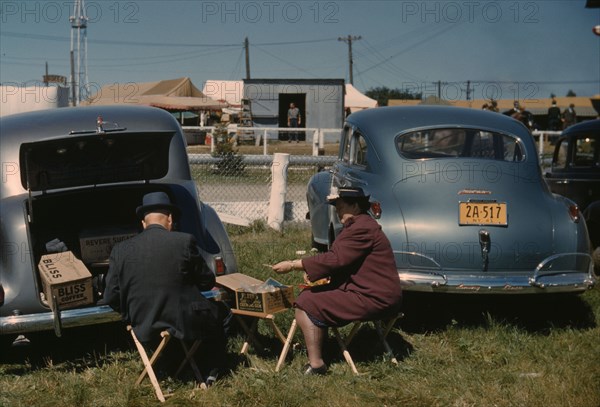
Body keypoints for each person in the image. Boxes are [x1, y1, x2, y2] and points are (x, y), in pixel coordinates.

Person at [102, 191, 230, 385]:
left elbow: (110, 296)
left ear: (143, 224)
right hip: (183, 323)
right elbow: (207, 281)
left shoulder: (120, 250)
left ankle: (171, 360)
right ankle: (210, 368)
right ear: (170, 219)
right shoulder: (184, 241)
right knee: (224, 312)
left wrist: (132, 313)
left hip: (143, 326)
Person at [272, 187, 402, 375]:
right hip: (372, 293)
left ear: (356, 206)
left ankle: (317, 364)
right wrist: (320, 275)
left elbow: (335, 259)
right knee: (310, 294)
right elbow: (347, 262)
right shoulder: (362, 225)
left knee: (305, 302)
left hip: (374, 298)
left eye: (341, 207)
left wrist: (294, 264)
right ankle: (323, 348)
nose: (337, 211)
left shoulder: (361, 228)